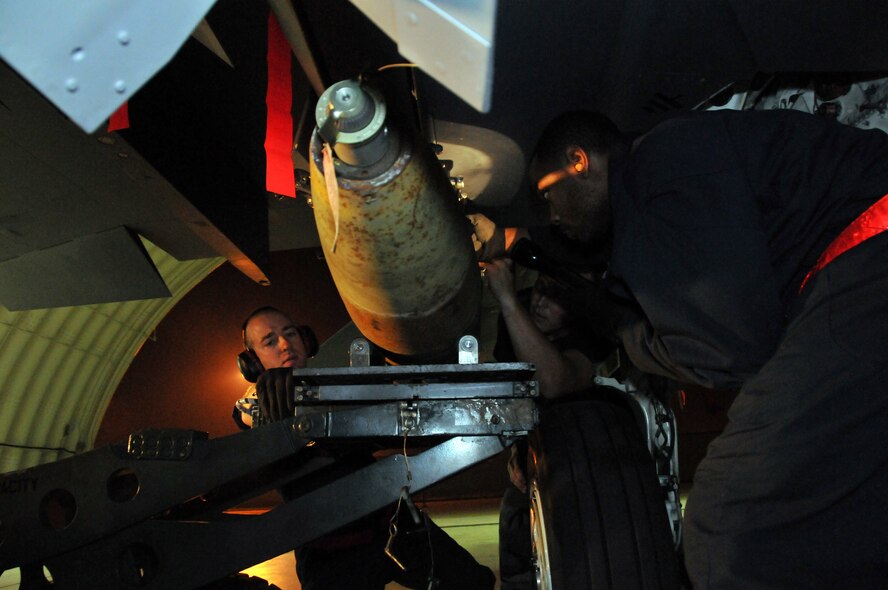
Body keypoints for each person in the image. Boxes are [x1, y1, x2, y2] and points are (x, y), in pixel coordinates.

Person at [476, 109, 888, 587]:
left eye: (548, 195)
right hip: (854, 271)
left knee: (731, 520)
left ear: (579, 161)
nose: (551, 214)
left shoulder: (656, 175)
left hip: (866, 256)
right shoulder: (674, 172)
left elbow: (730, 354)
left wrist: (617, 325)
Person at [236, 306, 496, 590]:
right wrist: (268, 402)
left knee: (473, 583)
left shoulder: (341, 386)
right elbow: (245, 411)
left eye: (290, 333)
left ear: (306, 340)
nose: (286, 345)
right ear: (252, 362)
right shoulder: (257, 404)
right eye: (270, 341)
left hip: (395, 526)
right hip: (328, 554)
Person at [481, 263, 615, 589]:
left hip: (590, 470)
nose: (540, 302)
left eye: (557, 295)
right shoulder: (517, 320)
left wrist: (509, 303)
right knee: (515, 525)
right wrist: (515, 451)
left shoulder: (594, 330)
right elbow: (514, 395)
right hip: (535, 469)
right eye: (542, 287)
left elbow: (556, 382)